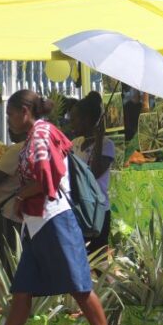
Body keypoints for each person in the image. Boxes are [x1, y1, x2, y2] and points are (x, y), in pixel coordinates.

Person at [0, 90, 117, 325]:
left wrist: (21, 196)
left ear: (25, 112)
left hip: (54, 221)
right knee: (23, 290)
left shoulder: (41, 135)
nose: (9, 120)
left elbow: (50, 178)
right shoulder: (39, 135)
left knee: (79, 285)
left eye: (11, 114)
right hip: (38, 226)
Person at [69, 92, 116, 256]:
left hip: (97, 210)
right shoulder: (75, 144)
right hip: (77, 208)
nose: (70, 123)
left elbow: (94, 172)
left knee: (98, 260)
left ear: (87, 120)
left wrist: (99, 136)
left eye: (74, 119)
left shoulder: (106, 145)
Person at [0, 130, 26, 261]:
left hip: (9, 216)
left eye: (11, 116)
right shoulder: (33, 146)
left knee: (7, 262)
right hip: (20, 216)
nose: (8, 127)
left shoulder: (18, 149)